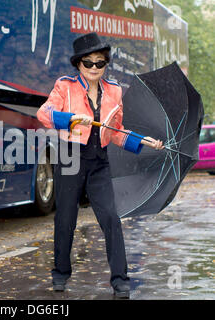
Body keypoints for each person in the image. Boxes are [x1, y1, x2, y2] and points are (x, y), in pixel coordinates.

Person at [36, 32, 164, 298]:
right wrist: (70, 119)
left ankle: (120, 281)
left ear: (106, 63)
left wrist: (144, 142)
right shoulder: (65, 85)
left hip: (99, 161)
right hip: (70, 157)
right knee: (66, 219)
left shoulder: (114, 90)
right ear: (78, 64)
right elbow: (44, 114)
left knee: (111, 218)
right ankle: (60, 274)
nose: (94, 68)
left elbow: (116, 131)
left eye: (100, 62)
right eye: (88, 62)